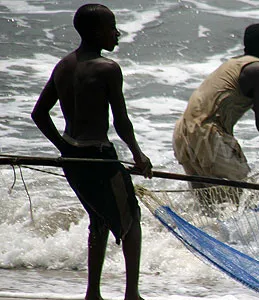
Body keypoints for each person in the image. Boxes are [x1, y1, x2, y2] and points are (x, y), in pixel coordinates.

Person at [30, 4, 152, 300]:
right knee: (130, 221)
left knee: (98, 219)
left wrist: (64, 147)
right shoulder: (107, 68)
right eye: (112, 27)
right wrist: (138, 155)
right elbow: (121, 121)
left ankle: (93, 293)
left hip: (73, 160)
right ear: (97, 32)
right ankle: (132, 294)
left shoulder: (63, 66)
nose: (117, 33)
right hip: (99, 158)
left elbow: (39, 114)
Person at [172, 23, 259, 209]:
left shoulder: (236, 64)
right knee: (245, 201)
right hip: (207, 137)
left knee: (209, 206)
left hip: (184, 133)